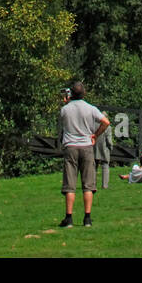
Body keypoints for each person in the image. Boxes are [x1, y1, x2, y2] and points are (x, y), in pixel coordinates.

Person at [58, 81, 110, 227]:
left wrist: (67, 103)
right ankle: (87, 218)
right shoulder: (90, 108)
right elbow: (106, 122)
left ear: (71, 94)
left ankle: (69, 218)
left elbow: (63, 119)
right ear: (84, 93)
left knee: (70, 184)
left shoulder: (65, 109)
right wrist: (95, 135)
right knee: (88, 184)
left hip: (70, 146)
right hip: (86, 146)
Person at [95, 114, 113, 189]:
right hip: (104, 149)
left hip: (94, 149)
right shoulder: (108, 127)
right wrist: (111, 147)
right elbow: (109, 140)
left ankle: (92, 185)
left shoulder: (94, 126)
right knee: (105, 166)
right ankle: (105, 185)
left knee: (93, 167)